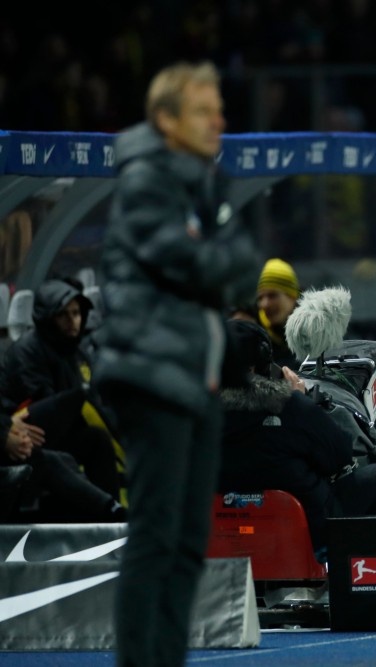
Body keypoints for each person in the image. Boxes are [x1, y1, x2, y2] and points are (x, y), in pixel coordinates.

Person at [91, 61, 260, 666]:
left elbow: (244, 263)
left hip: (195, 382)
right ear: (166, 120)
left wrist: (213, 255)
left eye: (218, 108)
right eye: (202, 111)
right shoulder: (146, 181)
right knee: (157, 539)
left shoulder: (200, 182)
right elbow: (194, 263)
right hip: (152, 378)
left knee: (188, 544)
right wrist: (213, 256)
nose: (219, 119)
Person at [219, 320, 376, 561]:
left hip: (223, 539)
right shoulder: (288, 405)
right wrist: (303, 399)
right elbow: (340, 454)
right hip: (310, 538)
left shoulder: (195, 413)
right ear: (259, 368)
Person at [0, 278, 122, 501]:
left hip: (51, 430)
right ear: (49, 317)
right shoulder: (28, 350)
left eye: (76, 313)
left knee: (97, 439)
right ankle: (107, 512)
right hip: (27, 429)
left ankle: (112, 513)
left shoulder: (76, 353)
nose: (72, 321)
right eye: (63, 314)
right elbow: (42, 404)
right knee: (53, 459)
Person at [256, 258, 301, 370]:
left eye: (272, 295)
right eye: (260, 298)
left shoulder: (320, 337)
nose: (264, 304)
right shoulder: (258, 342)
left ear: (292, 296)